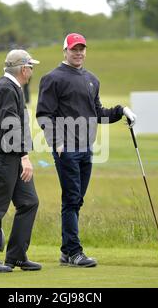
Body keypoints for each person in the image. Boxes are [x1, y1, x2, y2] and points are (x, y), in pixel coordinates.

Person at [36, 33, 137, 267]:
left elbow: (98, 113)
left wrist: (122, 110)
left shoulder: (92, 79)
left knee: (77, 200)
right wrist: (57, 143)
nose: (79, 53)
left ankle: (66, 251)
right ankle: (74, 252)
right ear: (65, 51)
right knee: (71, 199)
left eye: (82, 49)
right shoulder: (53, 78)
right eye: (74, 49)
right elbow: (44, 114)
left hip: (86, 148)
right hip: (66, 150)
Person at [0, 49, 41, 273]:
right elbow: (10, 124)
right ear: (23, 69)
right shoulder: (6, 89)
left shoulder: (12, 87)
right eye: (31, 67)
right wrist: (24, 156)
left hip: (12, 155)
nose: (32, 71)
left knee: (29, 202)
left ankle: (16, 256)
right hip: (6, 156)